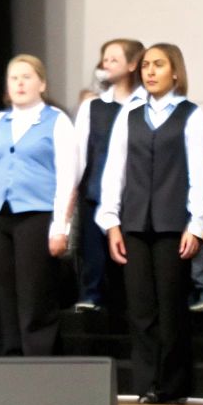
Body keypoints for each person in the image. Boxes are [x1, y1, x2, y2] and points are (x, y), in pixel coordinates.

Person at [96, 44, 203, 404]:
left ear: (175, 71)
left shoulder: (190, 114)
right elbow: (114, 171)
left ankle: (172, 384)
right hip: (135, 223)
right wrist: (112, 222)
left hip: (173, 225)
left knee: (171, 307)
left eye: (159, 65)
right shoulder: (130, 115)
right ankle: (146, 383)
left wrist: (195, 223)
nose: (150, 71)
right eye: (146, 65)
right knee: (141, 308)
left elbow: (200, 174)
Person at [0, 55, 79, 356]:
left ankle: (39, 359)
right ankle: (10, 356)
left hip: (37, 216)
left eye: (27, 77)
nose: (19, 83)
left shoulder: (57, 121)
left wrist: (61, 228)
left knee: (35, 291)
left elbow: (68, 177)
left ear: (42, 83)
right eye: (13, 78)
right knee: (2, 291)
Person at [72, 39, 143, 312]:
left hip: (135, 194)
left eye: (114, 59)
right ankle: (91, 296)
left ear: (132, 64)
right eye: (105, 59)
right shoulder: (93, 106)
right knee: (94, 254)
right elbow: (79, 153)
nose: (106, 64)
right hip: (96, 190)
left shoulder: (145, 103)